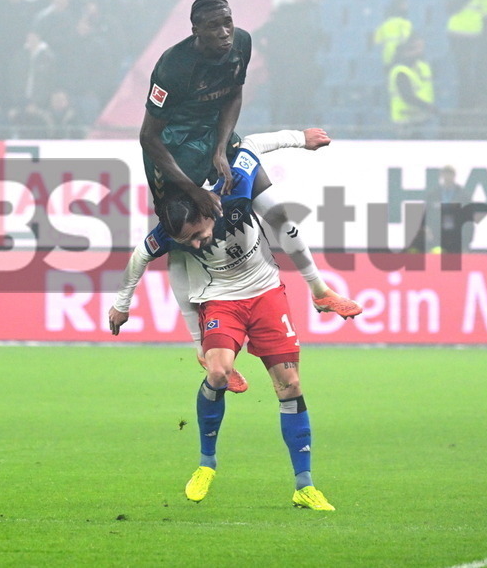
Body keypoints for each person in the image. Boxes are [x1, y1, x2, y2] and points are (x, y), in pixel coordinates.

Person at [139, 0, 362, 392]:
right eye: (214, 26)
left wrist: (221, 149)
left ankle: (319, 290)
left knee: (276, 211)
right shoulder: (173, 67)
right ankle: (200, 344)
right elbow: (149, 138)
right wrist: (191, 190)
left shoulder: (241, 42)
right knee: (183, 246)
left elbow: (234, 95)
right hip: (174, 158)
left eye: (227, 22)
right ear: (196, 30)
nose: (225, 32)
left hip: (216, 142)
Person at [109, 131, 336, 511]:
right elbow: (140, 257)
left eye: (198, 236)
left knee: (291, 385)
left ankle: (304, 485)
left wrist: (301, 138)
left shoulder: (235, 187)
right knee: (218, 373)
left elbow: (253, 146)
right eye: (189, 242)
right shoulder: (174, 231)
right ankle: (206, 464)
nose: (196, 244)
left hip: (266, 295)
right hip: (220, 301)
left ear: (206, 213)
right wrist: (121, 304)